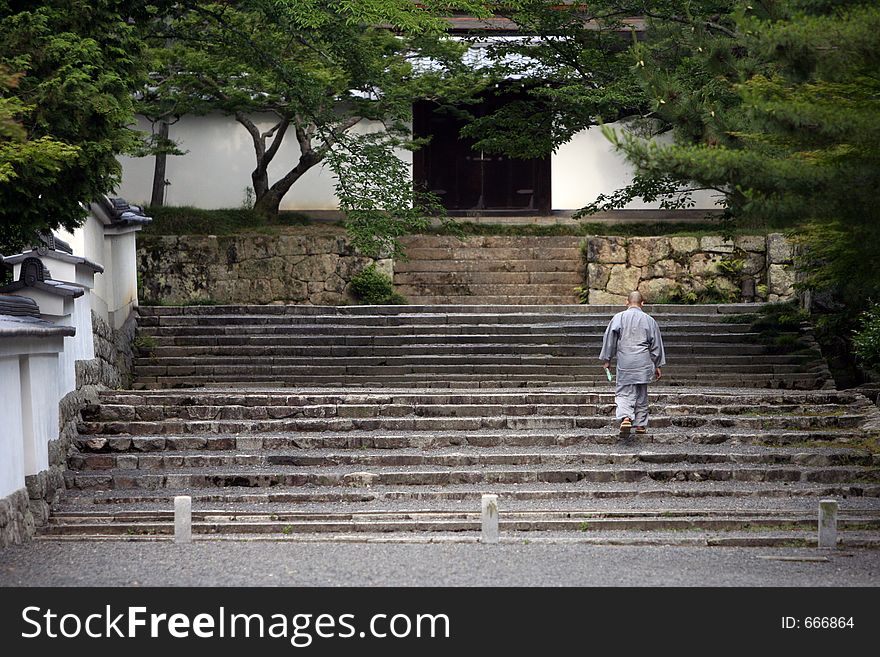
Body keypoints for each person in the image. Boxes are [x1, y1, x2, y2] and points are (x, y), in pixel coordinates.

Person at [599, 291, 666, 435]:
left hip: (625, 361)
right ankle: (641, 425)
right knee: (641, 393)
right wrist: (658, 364)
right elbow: (656, 345)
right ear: (642, 303)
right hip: (643, 361)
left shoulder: (618, 318)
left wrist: (607, 359)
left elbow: (610, 340)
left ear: (626, 302)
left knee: (624, 391)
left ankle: (626, 417)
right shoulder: (649, 320)